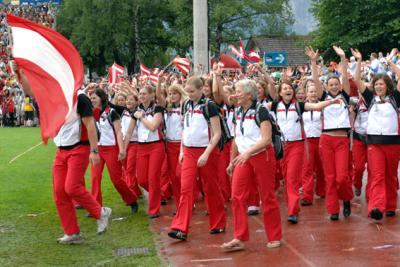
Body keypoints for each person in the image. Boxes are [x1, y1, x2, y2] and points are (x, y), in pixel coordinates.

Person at [11, 61, 112, 244]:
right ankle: (72, 232)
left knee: (72, 187)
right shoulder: (54, 93)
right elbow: (30, 91)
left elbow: (90, 124)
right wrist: (20, 73)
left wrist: (94, 150)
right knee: (59, 192)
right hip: (62, 150)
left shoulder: (81, 97)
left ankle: (101, 212)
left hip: (79, 148)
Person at [221, 79, 282, 251]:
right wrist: (232, 161)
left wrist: (248, 153)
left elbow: (266, 139)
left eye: (238, 90)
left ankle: (274, 236)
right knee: (237, 196)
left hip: (262, 156)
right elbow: (236, 138)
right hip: (243, 157)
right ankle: (239, 237)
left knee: (267, 195)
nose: (235, 93)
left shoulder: (261, 111)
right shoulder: (238, 111)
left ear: (249, 94)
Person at [168, 76, 226, 241]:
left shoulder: (210, 106)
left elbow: (217, 134)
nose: (189, 94)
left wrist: (206, 153)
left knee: (211, 187)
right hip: (189, 151)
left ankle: (218, 223)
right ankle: (180, 228)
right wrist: (181, 150)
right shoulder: (185, 104)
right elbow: (184, 129)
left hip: (207, 151)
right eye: (187, 91)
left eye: (192, 91)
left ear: (201, 89)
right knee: (186, 188)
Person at [306, 46, 354, 221]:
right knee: (330, 177)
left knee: (342, 177)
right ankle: (333, 209)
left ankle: (346, 198)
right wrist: (313, 61)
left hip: (342, 140)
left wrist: (343, 58)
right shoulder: (323, 96)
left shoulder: (345, 95)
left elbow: (346, 77)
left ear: (340, 85)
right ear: (327, 86)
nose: (334, 86)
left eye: (336, 84)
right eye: (331, 84)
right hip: (326, 140)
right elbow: (316, 80)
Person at [352, 48, 400, 220]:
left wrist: (390, 63)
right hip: (374, 143)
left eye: (382, 84)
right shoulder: (370, 98)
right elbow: (357, 79)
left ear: (387, 85)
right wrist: (358, 61)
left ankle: (390, 206)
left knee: (390, 176)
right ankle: (376, 207)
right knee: (377, 175)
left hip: (393, 143)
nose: (378, 86)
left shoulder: (395, 99)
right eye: (376, 84)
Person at [89, 88, 139, 213]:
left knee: (116, 179)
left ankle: (131, 199)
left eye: (94, 97)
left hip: (111, 148)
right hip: (98, 149)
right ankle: (95, 207)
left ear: (101, 98)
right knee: (95, 178)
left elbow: (118, 132)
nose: (92, 100)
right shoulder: (90, 113)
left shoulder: (111, 113)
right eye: (91, 98)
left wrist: (122, 149)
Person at [124, 85, 165, 218]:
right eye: (140, 94)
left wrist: (141, 118)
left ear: (152, 95)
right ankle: (159, 194)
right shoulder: (136, 110)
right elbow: (130, 131)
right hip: (141, 147)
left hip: (156, 146)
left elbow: (153, 127)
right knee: (142, 180)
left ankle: (154, 210)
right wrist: (123, 149)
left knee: (153, 178)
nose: (141, 96)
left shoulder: (157, 108)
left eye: (144, 94)